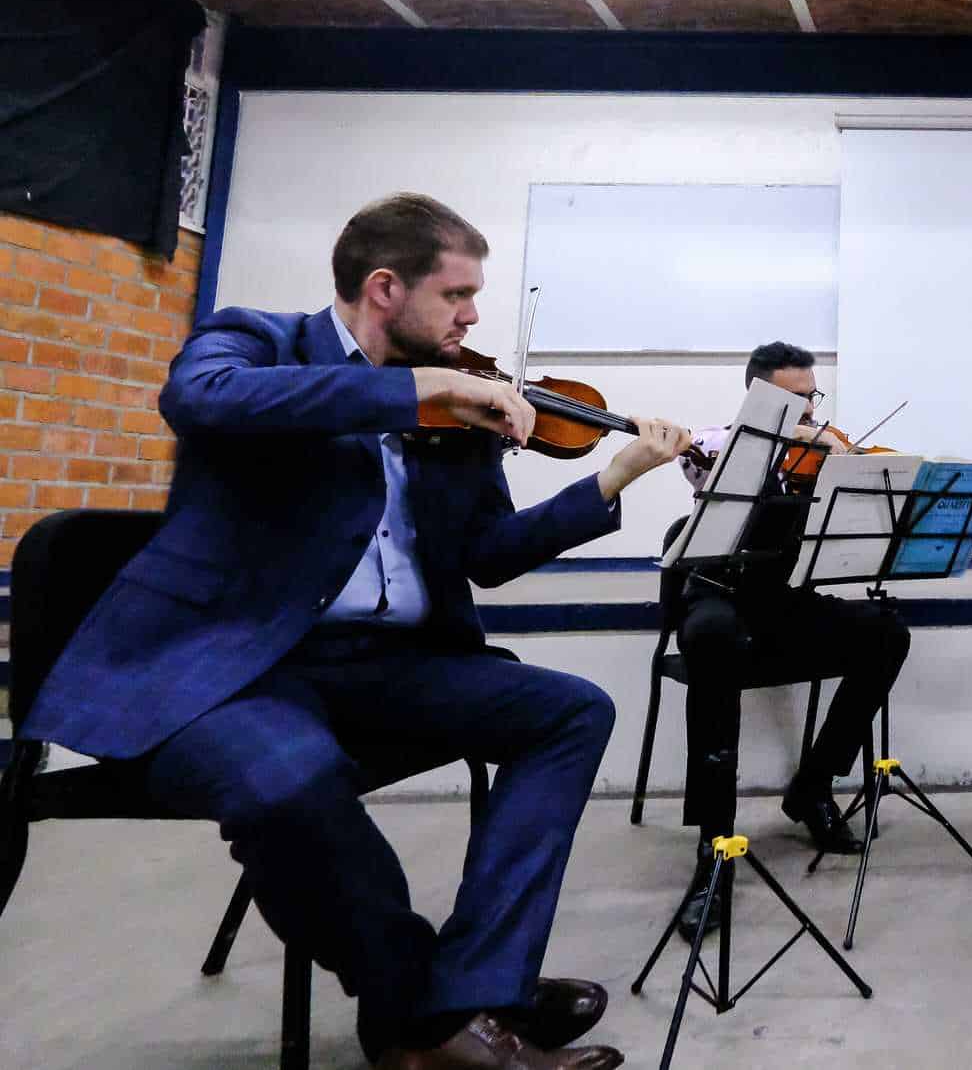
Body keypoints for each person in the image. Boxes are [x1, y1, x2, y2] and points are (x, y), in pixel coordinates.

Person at [21, 193, 692, 1070]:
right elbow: (201, 396)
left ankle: (469, 992)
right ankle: (434, 1014)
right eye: (455, 295)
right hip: (238, 669)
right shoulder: (258, 341)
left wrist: (611, 480)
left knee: (568, 710)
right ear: (384, 287)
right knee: (288, 779)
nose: (472, 316)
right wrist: (420, 389)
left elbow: (487, 555)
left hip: (385, 667)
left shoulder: (461, 411)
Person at [664, 341, 912, 935]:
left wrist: (843, 463)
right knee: (714, 643)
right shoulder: (717, 442)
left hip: (783, 601)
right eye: (790, 399)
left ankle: (814, 784)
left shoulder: (819, 449)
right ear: (756, 394)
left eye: (810, 398)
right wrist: (786, 440)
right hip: (719, 595)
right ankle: (713, 846)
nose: (806, 411)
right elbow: (698, 459)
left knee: (886, 633)